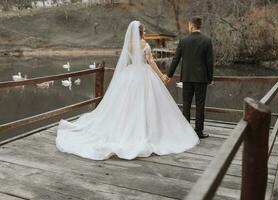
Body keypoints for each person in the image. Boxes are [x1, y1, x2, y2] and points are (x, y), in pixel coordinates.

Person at [56, 21, 199, 160]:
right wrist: (162, 76)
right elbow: (151, 62)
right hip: (144, 74)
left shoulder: (129, 45)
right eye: (144, 31)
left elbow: (127, 62)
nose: (145, 32)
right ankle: (147, 131)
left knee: (126, 104)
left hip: (130, 75)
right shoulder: (145, 45)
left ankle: (125, 128)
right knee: (147, 102)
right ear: (141, 32)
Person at [165, 16, 214, 139]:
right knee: (200, 105)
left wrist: (169, 75)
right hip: (201, 78)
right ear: (199, 26)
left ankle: (185, 131)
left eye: (188, 25)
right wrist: (210, 78)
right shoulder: (207, 40)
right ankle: (198, 131)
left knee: (186, 104)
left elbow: (176, 59)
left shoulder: (183, 41)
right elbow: (209, 61)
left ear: (192, 26)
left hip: (186, 77)